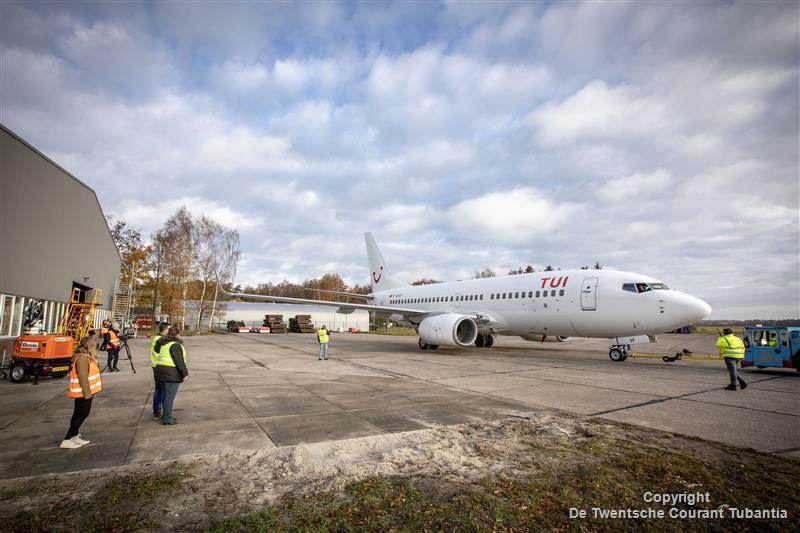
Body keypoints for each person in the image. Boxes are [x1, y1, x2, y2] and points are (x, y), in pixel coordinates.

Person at [61, 331, 103, 449]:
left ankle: (74, 436)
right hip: (83, 393)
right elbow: (83, 377)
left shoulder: (87, 357)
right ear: (89, 346)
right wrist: (87, 394)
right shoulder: (83, 359)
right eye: (93, 344)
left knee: (78, 414)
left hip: (85, 392)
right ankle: (67, 438)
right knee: (82, 414)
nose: (95, 345)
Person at [153, 326, 188, 425]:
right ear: (177, 334)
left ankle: (167, 416)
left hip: (160, 372)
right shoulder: (175, 345)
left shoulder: (164, 344)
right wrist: (185, 373)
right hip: (170, 375)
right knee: (169, 397)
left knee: (165, 396)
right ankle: (167, 418)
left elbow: (156, 349)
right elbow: (179, 362)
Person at [150, 323, 171, 419]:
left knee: (159, 390)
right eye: (169, 329)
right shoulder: (160, 339)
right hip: (159, 366)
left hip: (157, 365)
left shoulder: (158, 338)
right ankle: (157, 410)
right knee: (161, 390)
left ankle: (157, 410)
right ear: (165, 330)